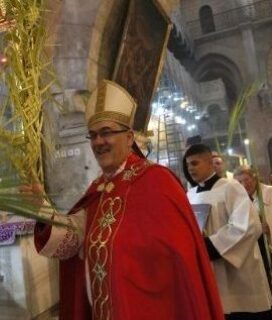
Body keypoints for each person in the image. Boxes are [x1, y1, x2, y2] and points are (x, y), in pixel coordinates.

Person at [32, 80, 224, 320]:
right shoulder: (97, 188)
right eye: (92, 135)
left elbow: (180, 266)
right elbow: (73, 241)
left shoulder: (157, 182)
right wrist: (41, 209)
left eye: (107, 132)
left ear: (129, 136)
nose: (98, 142)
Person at [184, 144, 272, 319]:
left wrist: (210, 246)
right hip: (208, 270)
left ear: (210, 163)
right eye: (188, 165)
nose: (191, 169)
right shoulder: (190, 194)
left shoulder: (231, 187)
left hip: (237, 275)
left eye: (195, 163)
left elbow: (247, 226)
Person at [234, 165, 272, 284]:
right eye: (240, 182)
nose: (244, 184)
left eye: (247, 179)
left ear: (254, 179)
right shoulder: (240, 200)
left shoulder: (269, 192)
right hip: (257, 247)